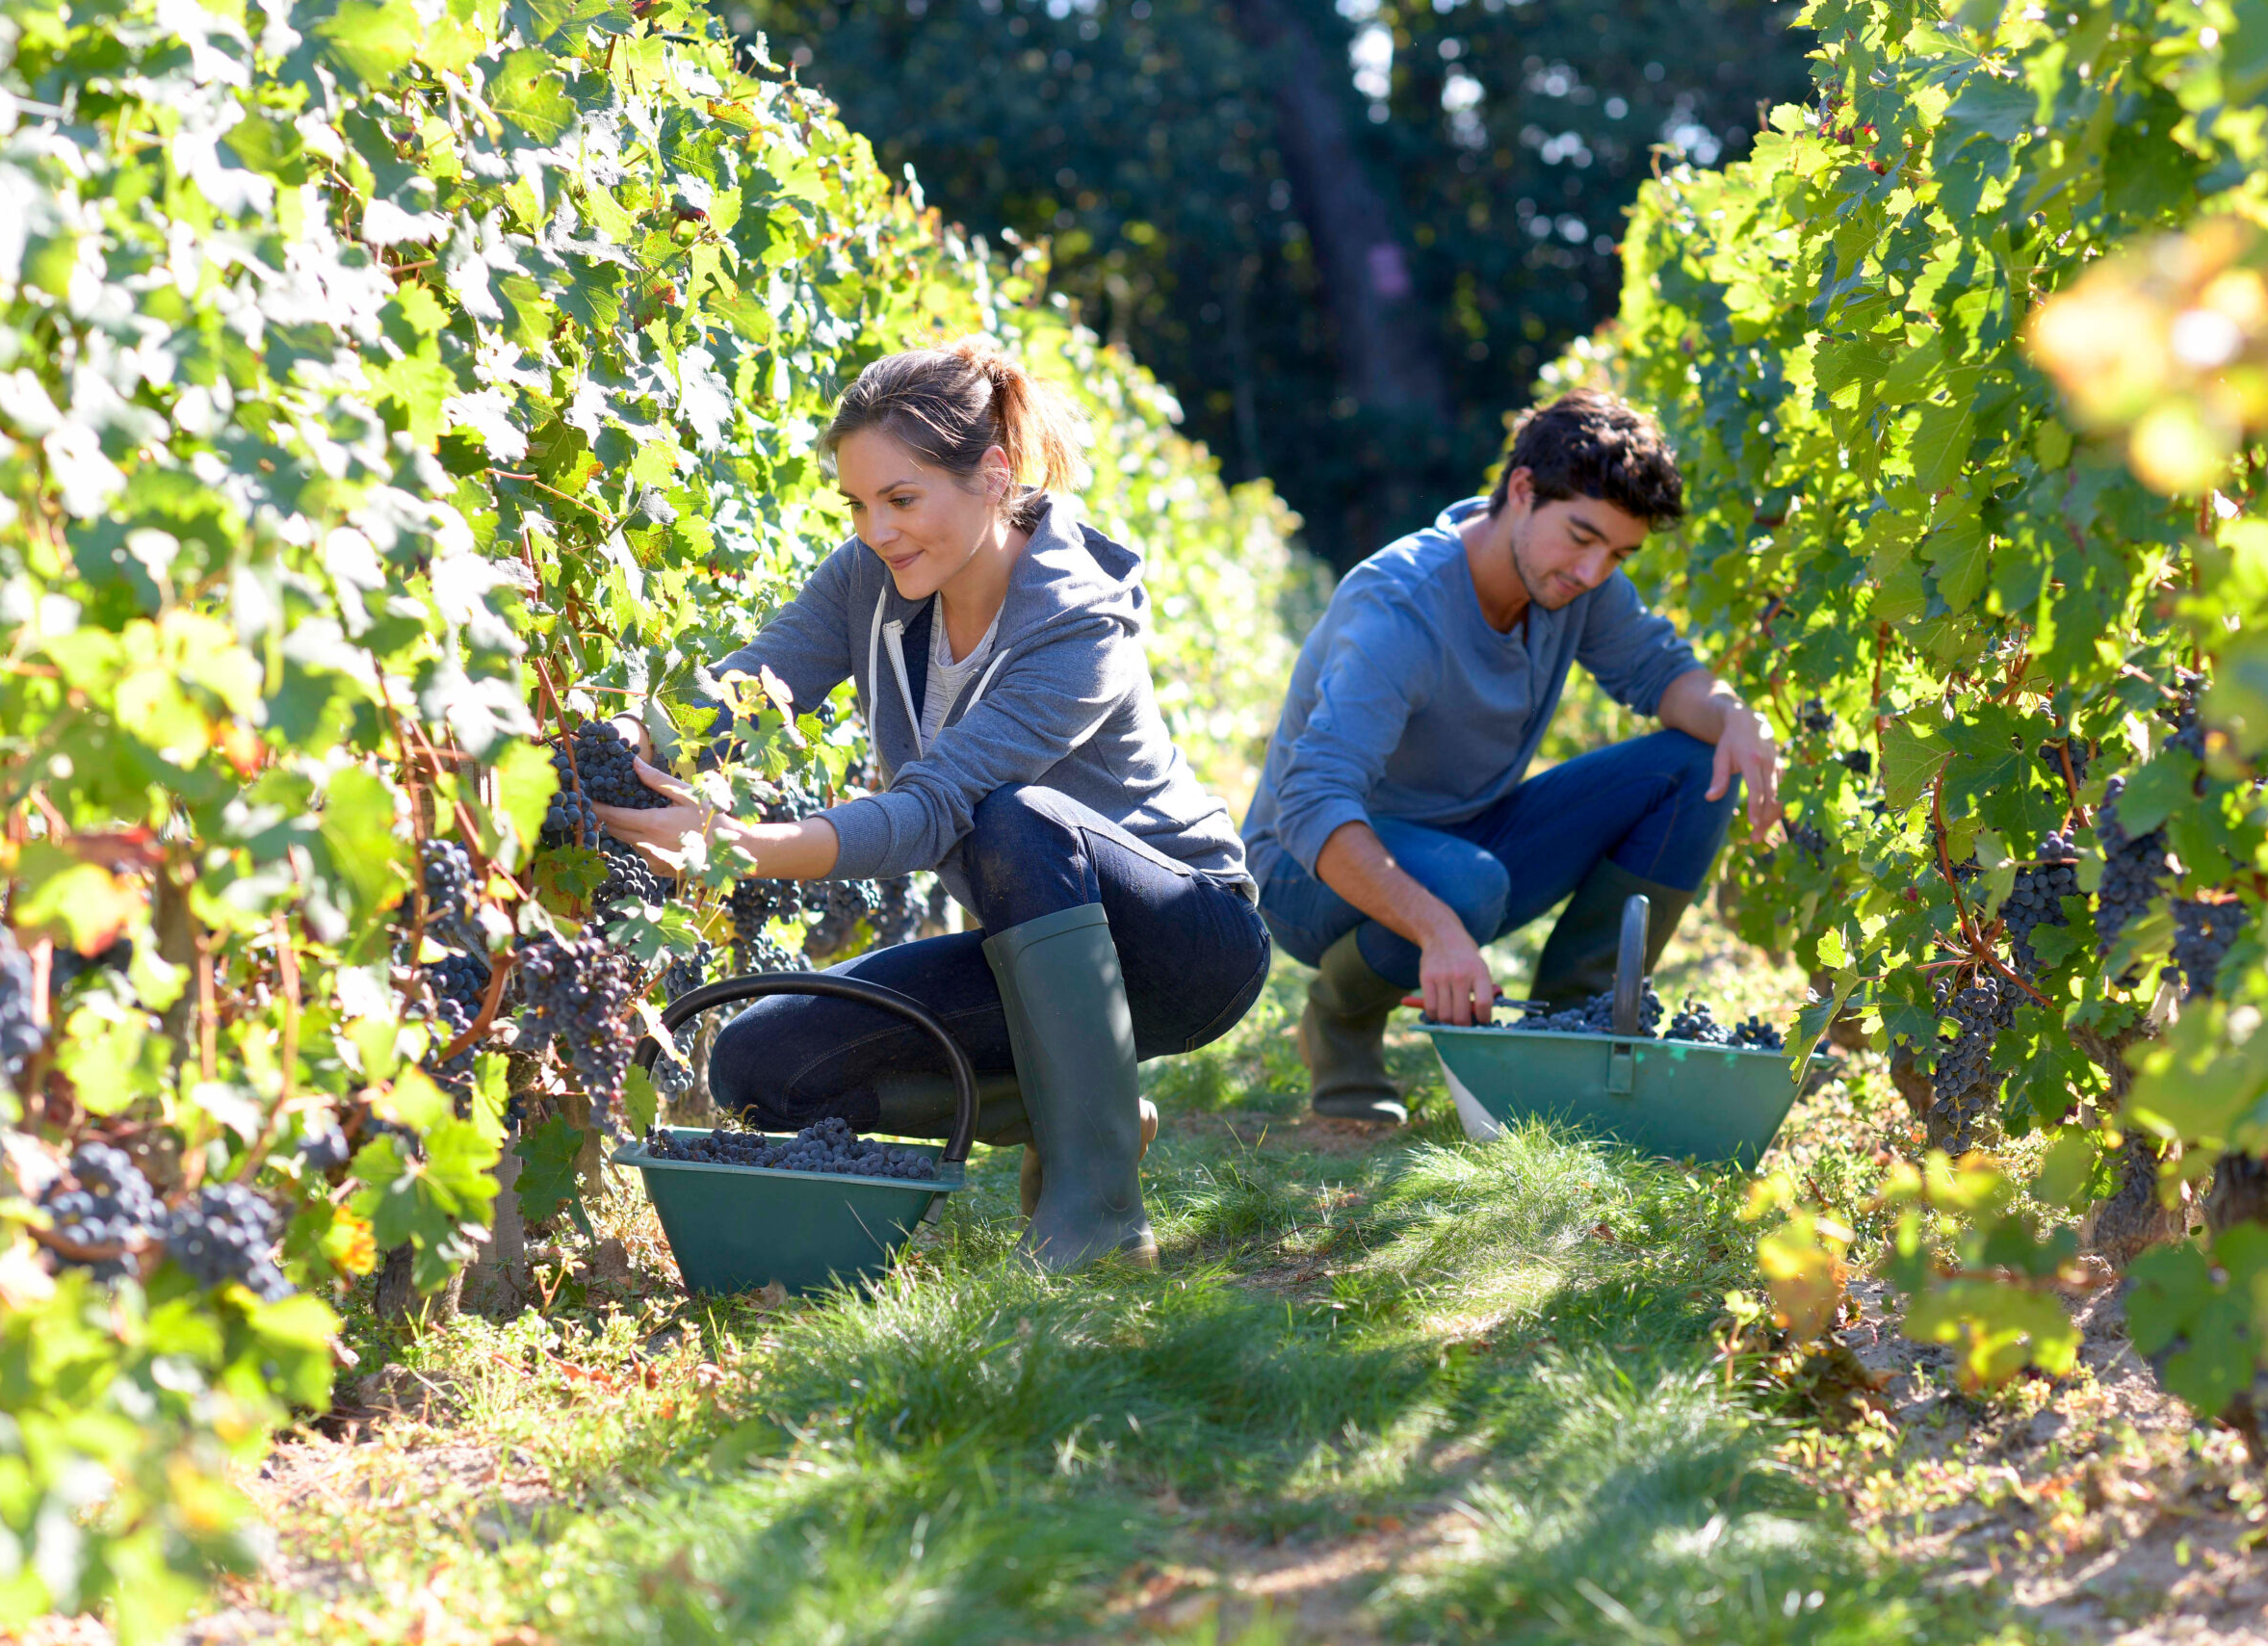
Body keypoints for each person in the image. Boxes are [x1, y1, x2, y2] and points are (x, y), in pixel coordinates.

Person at [592, 338, 1270, 1272]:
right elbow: (748, 685)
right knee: (759, 1065)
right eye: (860, 504)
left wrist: (740, 844)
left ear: (993, 476)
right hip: (1032, 949)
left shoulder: (1078, 620)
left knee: (1014, 814)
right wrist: (626, 738)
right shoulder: (869, 578)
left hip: (1183, 943)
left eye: (901, 498)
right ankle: (1084, 1107)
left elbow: (934, 808)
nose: (877, 528)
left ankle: (1102, 1210)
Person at [1241, 389, 1782, 1124]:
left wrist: (1735, 717)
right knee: (1464, 889)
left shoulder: (1571, 583)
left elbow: (1661, 673)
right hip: (1306, 869)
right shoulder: (1400, 609)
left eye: (1618, 555)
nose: (1594, 572)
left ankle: (1572, 1034)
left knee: (1695, 764)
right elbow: (1310, 805)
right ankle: (1339, 1021)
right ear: (1523, 491)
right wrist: (1437, 929)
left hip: (1463, 838)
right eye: (1583, 538)